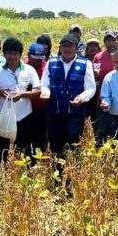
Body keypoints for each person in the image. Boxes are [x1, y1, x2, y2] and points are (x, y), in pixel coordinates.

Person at [40, 33, 96, 176]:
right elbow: (44, 84)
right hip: (54, 113)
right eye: (64, 46)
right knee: (55, 146)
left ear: (77, 48)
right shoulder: (52, 63)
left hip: (75, 114)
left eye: (70, 46)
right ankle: (56, 177)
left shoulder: (85, 64)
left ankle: (71, 178)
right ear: (60, 47)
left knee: (73, 146)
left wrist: (81, 97)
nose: (67, 49)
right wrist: (45, 92)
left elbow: (91, 88)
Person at [0, 37, 42, 169]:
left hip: (23, 115)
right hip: (1, 115)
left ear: (20, 54)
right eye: (9, 53)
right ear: (4, 54)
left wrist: (22, 94)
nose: (12, 57)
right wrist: (0, 93)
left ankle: (24, 175)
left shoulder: (29, 70)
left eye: (15, 53)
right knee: (0, 148)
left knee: (24, 149)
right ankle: (0, 175)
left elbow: (37, 91)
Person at [93, 30, 118, 144]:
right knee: (102, 130)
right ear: (104, 42)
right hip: (102, 99)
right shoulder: (98, 56)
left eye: (113, 40)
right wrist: (95, 76)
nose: (111, 43)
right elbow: (95, 78)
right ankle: (102, 156)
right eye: (108, 40)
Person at [24, 43, 49, 155]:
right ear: (29, 56)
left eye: (40, 59)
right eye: (35, 59)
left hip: (41, 110)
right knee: (24, 139)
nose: (38, 62)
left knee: (39, 139)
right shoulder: (22, 67)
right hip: (25, 110)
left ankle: (37, 163)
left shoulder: (47, 67)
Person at [83, 38, 102, 127]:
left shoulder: (102, 59)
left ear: (99, 48)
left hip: (99, 91)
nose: (93, 48)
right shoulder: (82, 61)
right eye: (90, 46)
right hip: (86, 91)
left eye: (95, 46)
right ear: (86, 49)